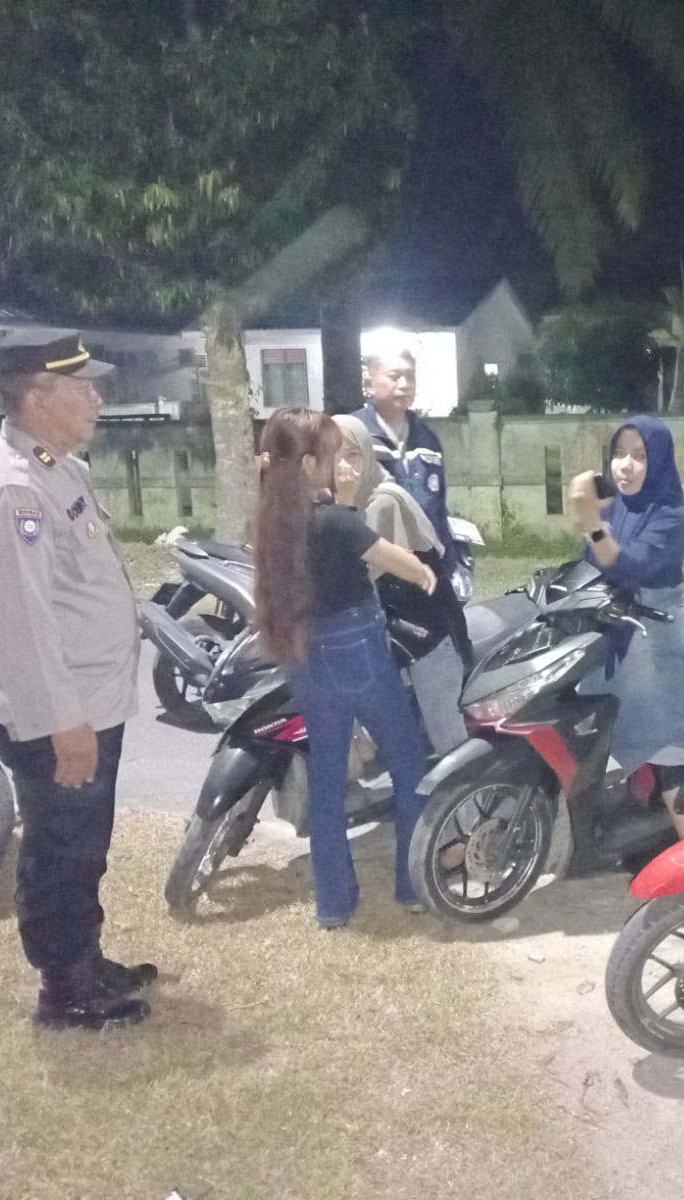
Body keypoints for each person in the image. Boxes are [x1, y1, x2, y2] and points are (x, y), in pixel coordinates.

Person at [0, 332, 151, 1031]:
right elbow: (24, 626)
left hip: (90, 702)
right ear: (38, 398)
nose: (97, 397)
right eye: (82, 386)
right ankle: (64, 991)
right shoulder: (13, 490)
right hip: (61, 714)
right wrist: (62, 721)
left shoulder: (56, 469)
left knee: (84, 844)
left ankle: (83, 959)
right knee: (61, 848)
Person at [254, 408, 438, 929]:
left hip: (304, 653)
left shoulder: (271, 521)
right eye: (333, 455)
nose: (342, 464)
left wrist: (345, 502)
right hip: (357, 650)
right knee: (408, 764)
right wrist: (424, 571)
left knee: (328, 779)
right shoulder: (334, 519)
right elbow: (405, 564)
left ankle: (333, 904)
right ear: (309, 464)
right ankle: (411, 886)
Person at [567, 416, 684, 837]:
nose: (625, 465)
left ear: (658, 461)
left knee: (668, 761)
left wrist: (592, 522)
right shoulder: (617, 505)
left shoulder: (670, 517)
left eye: (640, 455)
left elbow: (629, 564)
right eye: (619, 453)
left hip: (661, 645)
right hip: (620, 626)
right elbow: (590, 561)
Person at [331, 414, 468, 755]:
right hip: (395, 641)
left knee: (450, 746)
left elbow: (350, 575)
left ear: (368, 454)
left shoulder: (383, 501)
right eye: (332, 455)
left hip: (427, 641)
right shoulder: (350, 503)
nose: (343, 465)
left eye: (352, 454)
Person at [356, 341, 462, 577]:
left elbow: (437, 509)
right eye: (394, 376)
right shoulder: (354, 434)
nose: (405, 384)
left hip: (426, 569)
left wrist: (449, 566)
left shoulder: (427, 438)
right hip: (375, 570)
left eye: (410, 377)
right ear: (369, 384)